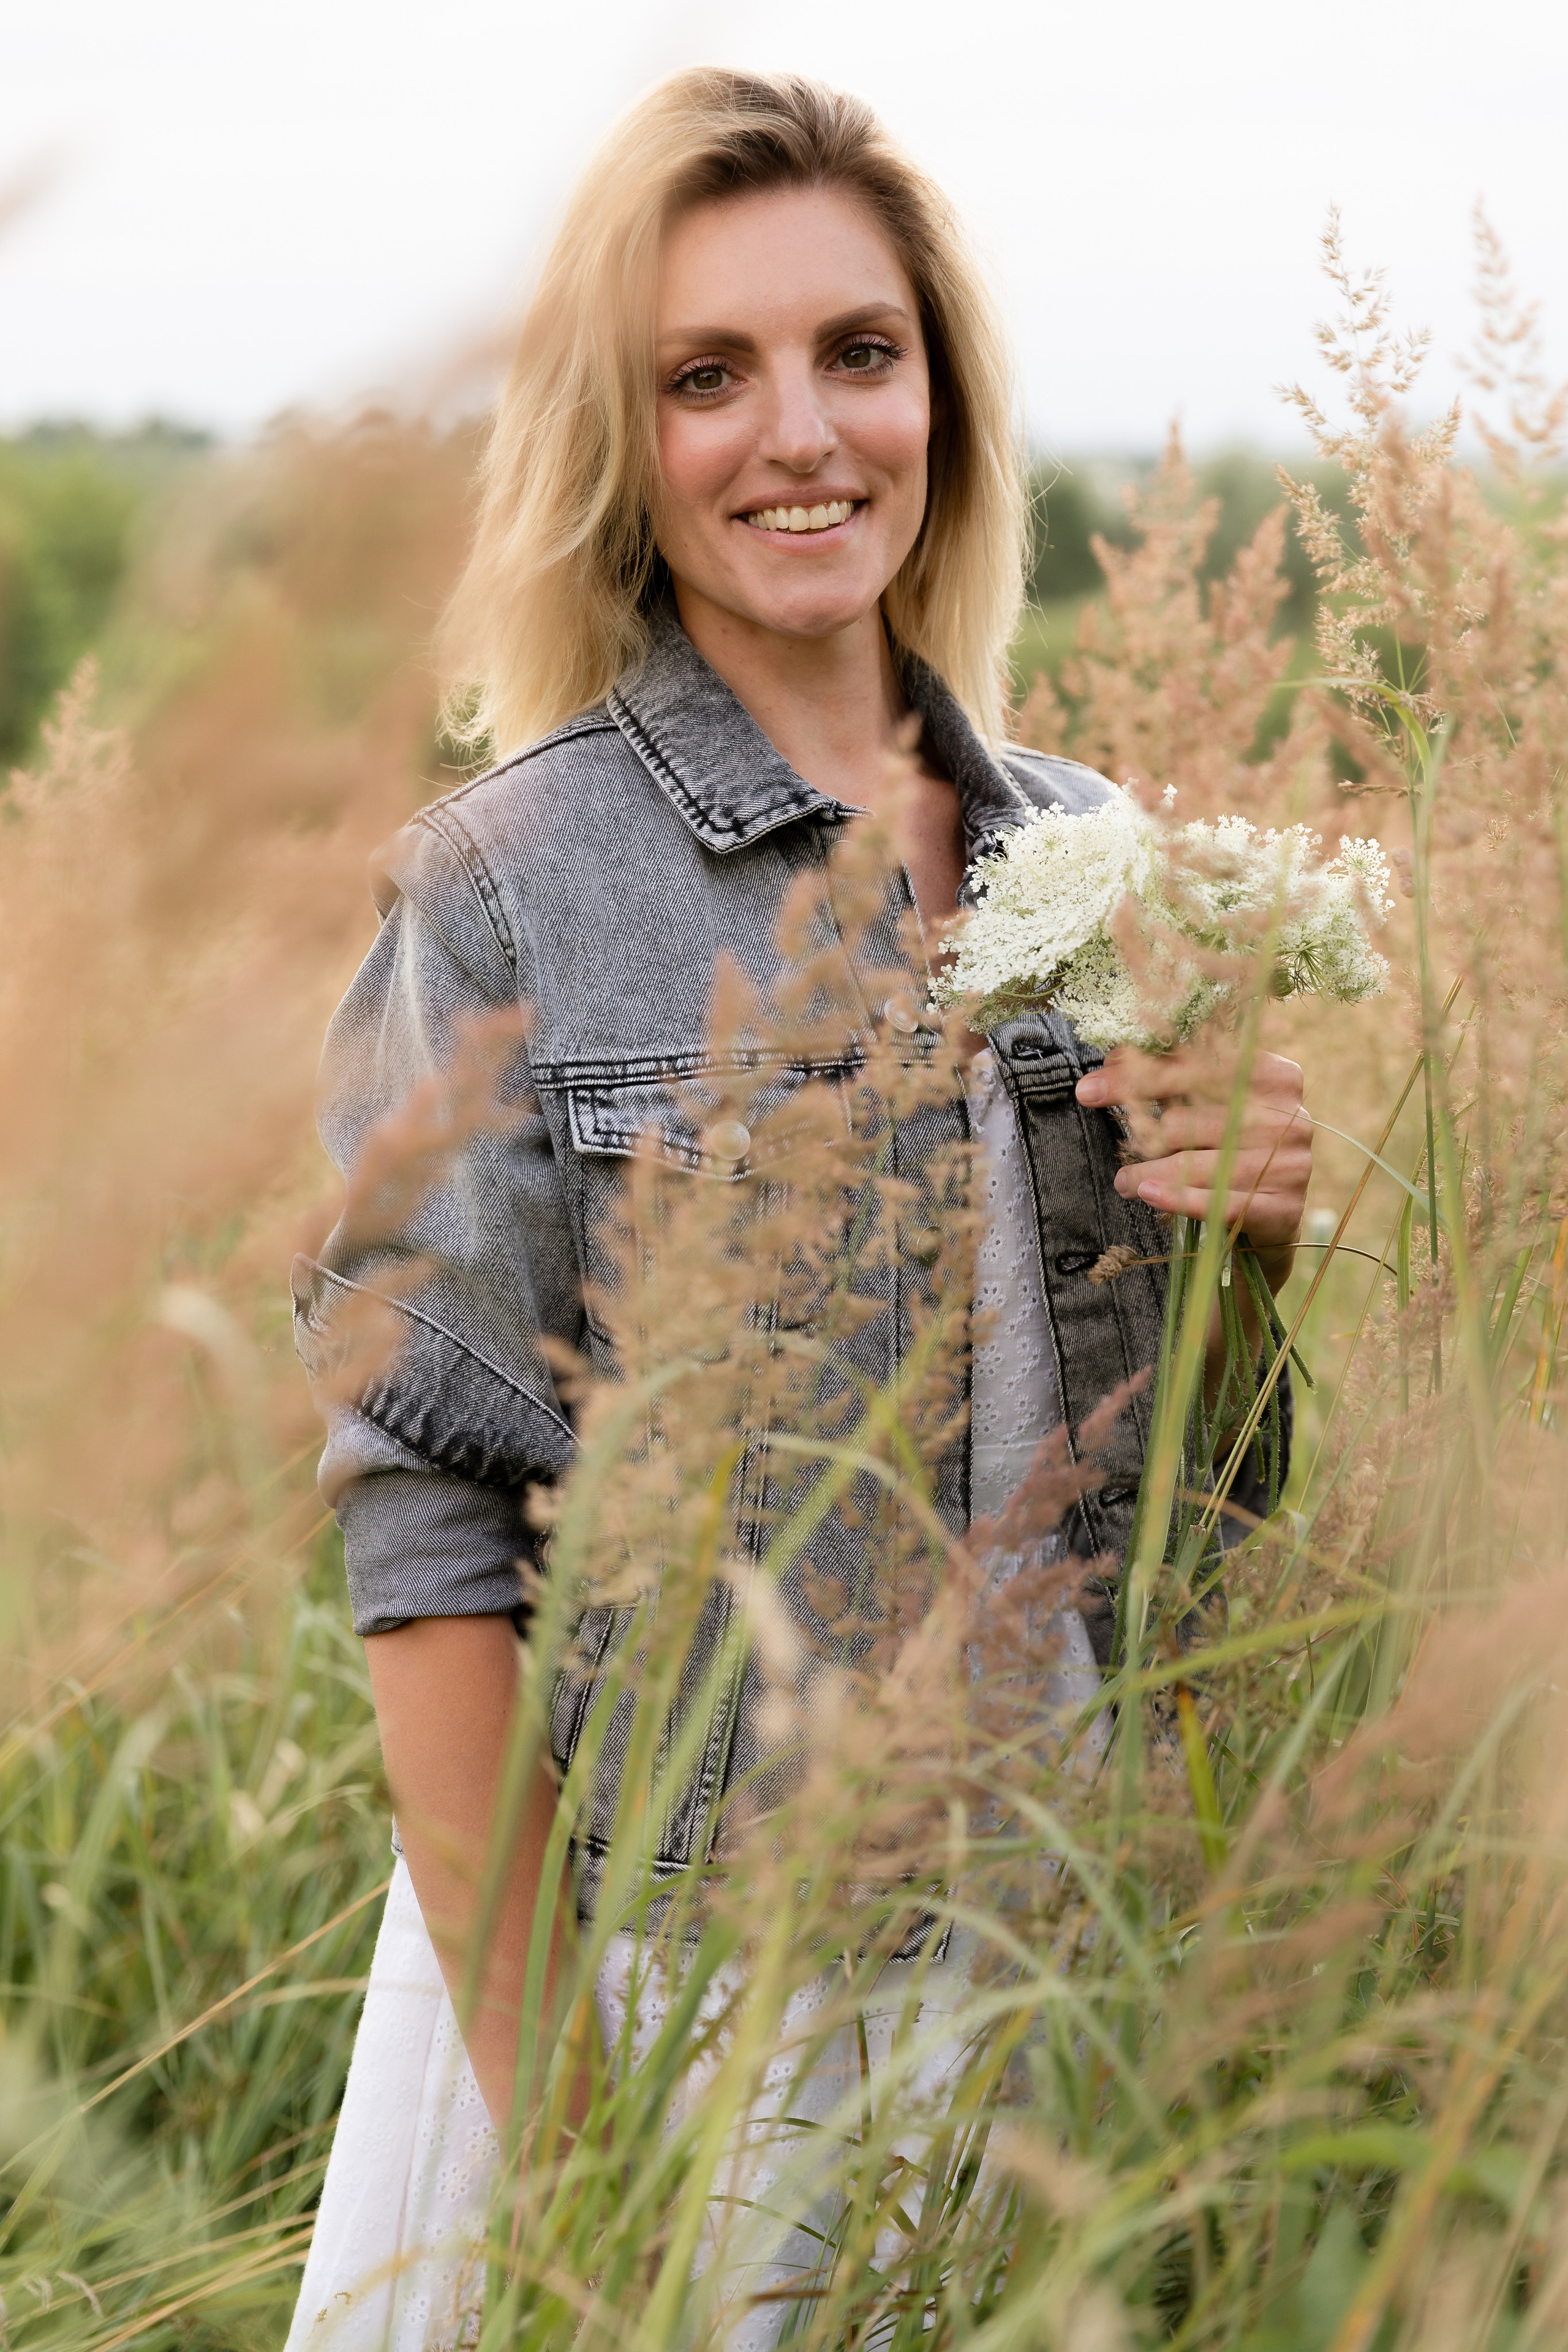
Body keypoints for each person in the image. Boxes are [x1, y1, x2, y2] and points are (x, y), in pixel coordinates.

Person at [284, 66, 1311, 2351]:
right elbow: (430, 1536)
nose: (803, 434)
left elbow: (1192, 1520)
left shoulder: (1094, 850)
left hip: (1054, 1946)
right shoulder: (506, 887)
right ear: (619, 442)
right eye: (707, 376)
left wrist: (1249, 1251)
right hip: (668, 1986)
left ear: (940, 387)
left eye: (860, 351)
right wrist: (579, 2159)